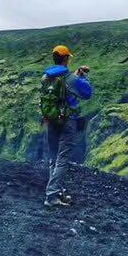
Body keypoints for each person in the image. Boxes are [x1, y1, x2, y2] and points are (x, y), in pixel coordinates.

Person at [39, 44, 93, 206]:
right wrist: (83, 77)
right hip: (67, 121)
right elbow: (87, 93)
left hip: (51, 120)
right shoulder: (72, 78)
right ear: (66, 58)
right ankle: (52, 195)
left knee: (53, 158)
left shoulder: (46, 77)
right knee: (62, 158)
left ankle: (58, 191)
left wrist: (76, 74)